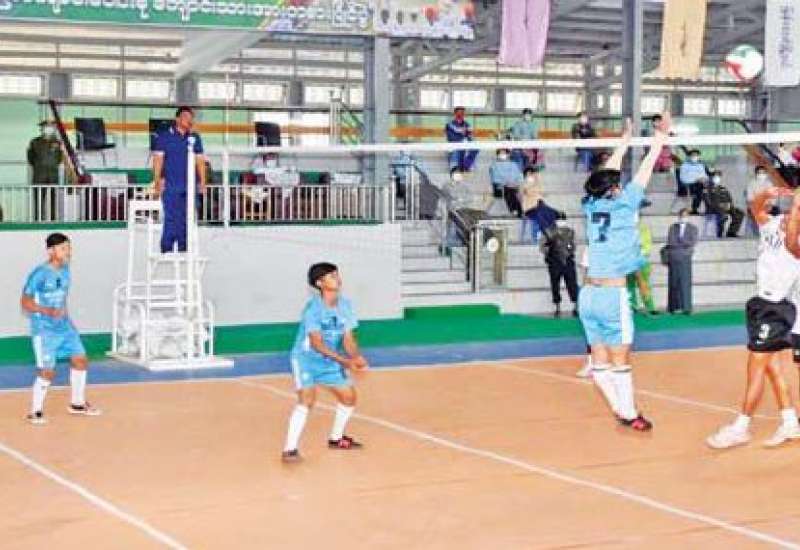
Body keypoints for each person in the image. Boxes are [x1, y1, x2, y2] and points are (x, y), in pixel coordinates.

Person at [578, 113, 672, 432]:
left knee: (600, 361)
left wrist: (625, 141)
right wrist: (660, 137)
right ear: (615, 189)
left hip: (588, 295)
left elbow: (604, 176)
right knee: (619, 361)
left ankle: (623, 410)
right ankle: (629, 412)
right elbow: (645, 169)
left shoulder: (591, 206)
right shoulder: (623, 205)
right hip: (611, 296)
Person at [707, 187, 800, 449]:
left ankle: (741, 426)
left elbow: (791, 245)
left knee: (756, 368)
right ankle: (790, 421)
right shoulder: (772, 223)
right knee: (771, 367)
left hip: (777, 307)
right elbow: (755, 209)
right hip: (761, 304)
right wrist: (766, 194)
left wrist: (795, 207)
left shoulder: (796, 237)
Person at [282, 262, 369, 463]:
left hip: (329, 361)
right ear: (319, 283)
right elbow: (316, 344)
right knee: (307, 400)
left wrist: (356, 356)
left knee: (349, 397)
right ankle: (289, 449)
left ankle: (336, 439)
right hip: (306, 360)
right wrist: (345, 362)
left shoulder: (345, 305)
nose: (337, 278)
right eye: (331, 276)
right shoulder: (313, 309)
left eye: (337, 274)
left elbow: (348, 339)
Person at [20, 233, 101, 425]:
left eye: (69, 248)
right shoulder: (39, 274)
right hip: (44, 330)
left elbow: (62, 299)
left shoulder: (65, 271)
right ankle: (35, 411)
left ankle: (77, 404)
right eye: (63, 248)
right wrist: (47, 311)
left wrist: (67, 320)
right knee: (47, 372)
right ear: (51, 251)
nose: (68, 252)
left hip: (64, 328)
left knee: (80, 360)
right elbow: (25, 302)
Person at [152, 106, 207, 253]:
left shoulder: (194, 138)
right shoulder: (164, 137)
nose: (189, 120)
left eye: (191, 118)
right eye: (185, 117)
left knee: (188, 219)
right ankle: (167, 249)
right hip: (171, 185)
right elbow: (158, 160)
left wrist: (203, 182)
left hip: (190, 186)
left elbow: (200, 161)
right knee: (171, 218)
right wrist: (157, 181)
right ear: (177, 119)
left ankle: (184, 250)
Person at [541, 212, 579, 318]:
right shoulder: (548, 232)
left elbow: (574, 246)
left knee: (572, 284)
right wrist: (549, 251)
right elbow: (543, 247)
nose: (561, 221)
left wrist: (569, 250)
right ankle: (557, 307)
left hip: (568, 261)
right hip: (554, 261)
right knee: (555, 285)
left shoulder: (571, 232)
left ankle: (576, 306)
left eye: (562, 219)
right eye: (559, 219)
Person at [27, 120, 63, 222]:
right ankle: (38, 221)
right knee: (38, 200)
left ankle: (53, 221)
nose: (48, 128)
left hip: (53, 175)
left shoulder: (57, 142)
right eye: (46, 127)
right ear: (41, 129)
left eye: (50, 126)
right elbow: (30, 158)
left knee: (53, 201)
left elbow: (59, 158)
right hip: (39, 175)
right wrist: (40, 166)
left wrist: (51, 166)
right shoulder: (34, 142)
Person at [665, 209, 698, 314]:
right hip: (674, 257)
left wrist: (681, 241)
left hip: (685, 258)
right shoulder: (673, 227)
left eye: (685, 216)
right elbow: (671, 242)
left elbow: (692, 242)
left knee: (685, 283)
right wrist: (683, 243)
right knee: (673, 283)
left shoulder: (693, 228)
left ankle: (686, 307)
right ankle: (673, 307)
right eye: (682, 216)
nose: (683, 218)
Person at [626, 218, 658, 315]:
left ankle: (650, 307)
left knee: (644, 284)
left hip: (641, 260)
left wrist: (639, 253)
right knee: (630, 284)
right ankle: (632, 306)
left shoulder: (644, 229)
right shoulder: (625, 229)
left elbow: (648, 245)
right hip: (629, 261)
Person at [704, 170, 744, 238]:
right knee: (723, 215)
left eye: (718, 176)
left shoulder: (723, 188)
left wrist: (729, 205)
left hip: (726, 207)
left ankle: (731, 232)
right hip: (714, 208)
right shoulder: (707, 188)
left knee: (739, 213)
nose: (717, 178)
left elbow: (729, 198)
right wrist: (721, 205)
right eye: (715, 176)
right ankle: (720, 233)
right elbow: (708, 201)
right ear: (711, 177)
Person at [489, 148, 524, 217]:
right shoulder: (494, 165)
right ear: (497, 155)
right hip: (500, 185)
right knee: (508, 191)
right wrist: (505, 182)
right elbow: (494, 177)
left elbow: (518, 175)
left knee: (512, 192)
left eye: (504, 153)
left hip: (513, 184)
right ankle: (515, 210)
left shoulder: (513, 164)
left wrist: (513, 182)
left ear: (508, 154)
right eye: (500, 153)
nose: (502, 155)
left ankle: (516, 210)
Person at [445, 106, 478, 172]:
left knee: (475, 147)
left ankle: (467, 165)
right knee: (457, 149)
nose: (461, 115)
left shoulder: (466, 124)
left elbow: (470, 135)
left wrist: (469, 136)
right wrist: (462, 137)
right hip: (454, 146)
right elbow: (451, 138)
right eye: (459, 113)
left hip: (465, 145)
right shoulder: (449, 124)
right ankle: (455, 167)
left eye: (463, 113)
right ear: (455, 114)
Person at [678, 149, 709, 215]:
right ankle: (694, 209)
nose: (695, 157)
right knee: (700, 189)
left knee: (708, 187)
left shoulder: (701, 166)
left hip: (700, 184)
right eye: (693, 155)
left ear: (698, 157)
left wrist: (704, 179)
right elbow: (683, 178)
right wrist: (696, 179)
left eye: (696, 156)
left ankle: (710, 208)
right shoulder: (684, 166)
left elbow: (705, 176)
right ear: (689, 157)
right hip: (688, 185)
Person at [744, 166, 774, 236]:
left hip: (766, 206)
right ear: (756, 174)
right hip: (755, 206)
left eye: (763, 173)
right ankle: (757, 235)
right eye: (759, 173)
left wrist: (770, 205)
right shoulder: (751, 184)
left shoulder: (769, 184)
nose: (761, 175)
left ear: (766, 174)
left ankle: (770, 234)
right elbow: (750, 198)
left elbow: (772, 197)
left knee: (774, 213)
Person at [519, 167, 543, 243]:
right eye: (528, 174)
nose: (530, 175)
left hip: (536, 207)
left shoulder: (537, 184)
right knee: (533, 221)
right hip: (528, 208)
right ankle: (533, 239)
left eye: (531, 174)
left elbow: (539, 192)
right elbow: (525, 192)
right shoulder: (523, 184)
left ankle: (536, 238)